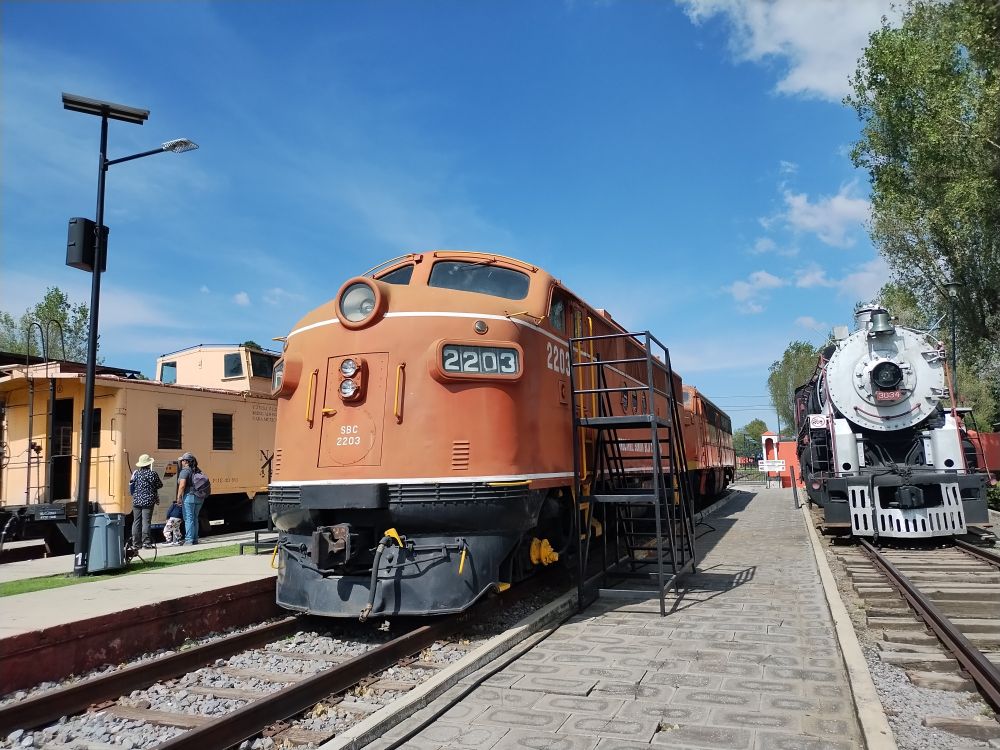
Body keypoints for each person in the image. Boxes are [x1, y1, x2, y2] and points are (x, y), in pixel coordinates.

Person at [130, 454, 163, 549]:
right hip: (148, 501)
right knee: (146, 522)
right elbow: (159, 485)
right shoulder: (152, 474)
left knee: (136, 521)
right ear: (149, 464)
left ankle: (136, 543)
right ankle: (146, 543)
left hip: (136, 500)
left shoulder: (136, 473)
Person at [177, 452, 203, 545]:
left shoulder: (185, 471)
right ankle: (195, 539)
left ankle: (189, 540)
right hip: (199, 497)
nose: (181, 462)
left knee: (188, 518)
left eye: (182, 460)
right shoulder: (198, 470)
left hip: (189, 496)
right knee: (195, 518)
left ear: (186, 461)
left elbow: (182, 485)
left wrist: (178, 497)